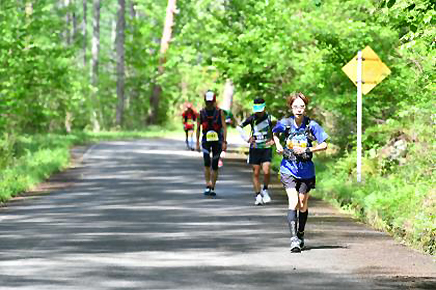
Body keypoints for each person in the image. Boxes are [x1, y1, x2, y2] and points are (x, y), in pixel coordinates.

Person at [272, 92, 328, 253]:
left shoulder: (312, 125)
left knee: (302, 204)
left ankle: (301, 233)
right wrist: (278, 145)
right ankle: (293, 240)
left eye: (302, 106)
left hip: (306, 171)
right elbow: (275, 133)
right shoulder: (285, 123)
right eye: (295, 106)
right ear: (291, 107)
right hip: (288, 169)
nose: (299, 109)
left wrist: (308, 148)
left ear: (305, 108)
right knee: (293, 201)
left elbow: (324, 144)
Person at [237, 98, 274, 205]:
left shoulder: (270, 118)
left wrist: (274, 140)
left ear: (264, 108)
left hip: (266, 148)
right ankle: (258, 195)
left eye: (260, 109)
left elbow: (279, 128)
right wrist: (247, 138)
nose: (259, 112)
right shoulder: (252, 118)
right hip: (255, 148)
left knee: (267, 171)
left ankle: (265, 190)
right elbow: (239, 127)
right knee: (256, 172)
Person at [196, 91, 227, 197]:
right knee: (206, 162)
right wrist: (197, 142)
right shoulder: (201, 113)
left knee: (215, 163)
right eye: (207, 102)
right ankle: (207, 185)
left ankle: (212, 187)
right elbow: (198, 128)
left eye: (211, 102)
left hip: (217, 141)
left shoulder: (220, 112)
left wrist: (224, 142)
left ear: (214, 101)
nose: (209, 104)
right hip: (205, 140)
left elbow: (224, 127)